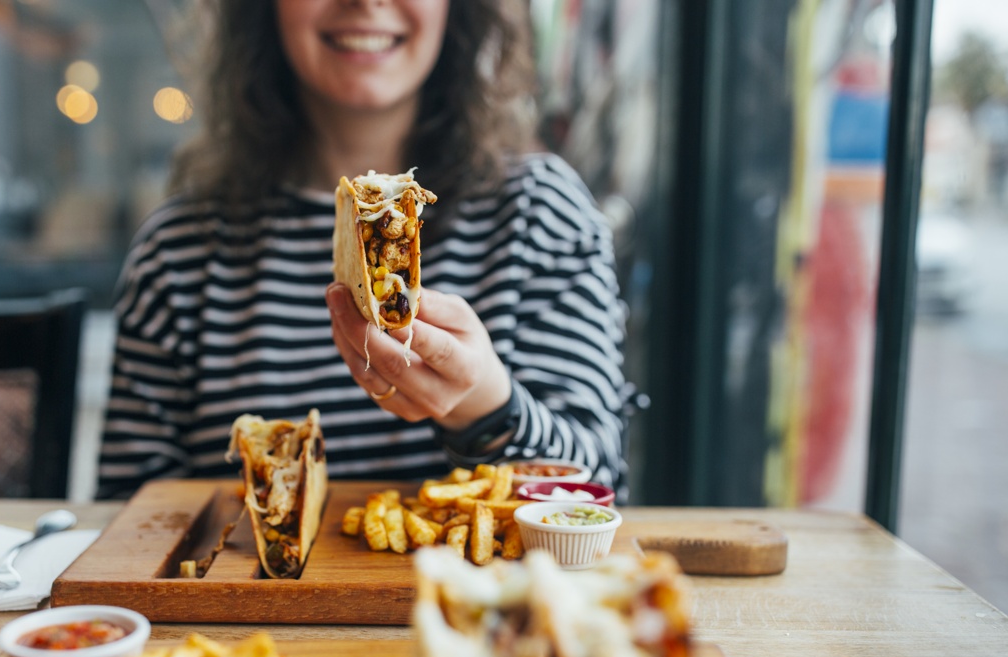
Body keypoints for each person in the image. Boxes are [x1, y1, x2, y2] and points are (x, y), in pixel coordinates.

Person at [97, 0, 631, 500]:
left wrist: (487, 410)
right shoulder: (178, 252)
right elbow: (130, 521)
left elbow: (600, 492)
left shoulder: (541, 215)